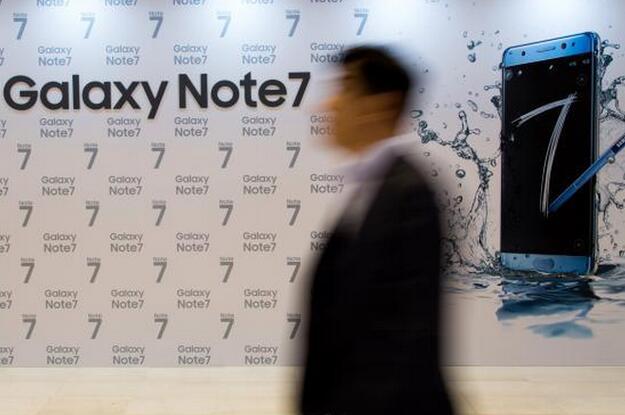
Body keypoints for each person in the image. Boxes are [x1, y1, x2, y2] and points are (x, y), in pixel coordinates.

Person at [299, 46, 455, 415]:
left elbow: (405, 341)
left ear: (380, 105)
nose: (326, 105)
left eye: (345, 88)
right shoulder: (368, 186)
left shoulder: (409, 195)